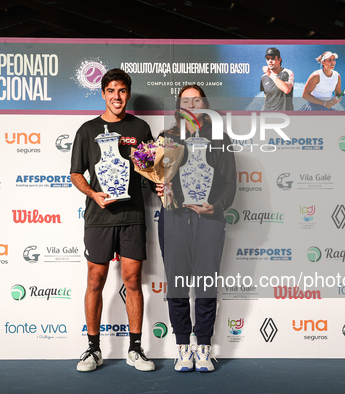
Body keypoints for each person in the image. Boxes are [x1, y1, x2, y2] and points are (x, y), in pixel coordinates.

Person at [70, 68, 155, 372]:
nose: (116, 97)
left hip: (132, 216)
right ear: (103, 93)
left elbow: (151, 168)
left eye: (122, 91)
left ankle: (135, 349)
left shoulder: (141, 127)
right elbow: (76, 173)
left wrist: (159, 181)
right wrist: (93, 194)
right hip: (99, 217)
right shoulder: (87, 130)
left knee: (132, 281)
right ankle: (93, 350)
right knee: (95, 280)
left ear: (128, 94)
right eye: (111, 91)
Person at [156, 85, 236, 372]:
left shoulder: (220, 139)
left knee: (205, 285)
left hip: (209, 221)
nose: (191, 105)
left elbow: (230, 185)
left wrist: (214, 207)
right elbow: (155, 177)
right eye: (185, 101)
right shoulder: (166, 138)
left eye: (197, 100)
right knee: (176, 285)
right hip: (174, 219)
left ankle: (203, 347)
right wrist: (157, 186)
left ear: (205, 105)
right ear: (179, 107)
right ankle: (182, 348)